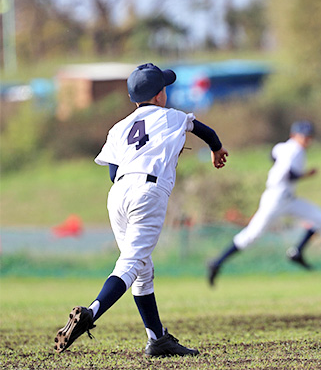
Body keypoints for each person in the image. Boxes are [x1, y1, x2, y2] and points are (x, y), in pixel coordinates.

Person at [53, 63, 229, 357]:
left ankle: (157, 339)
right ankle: (91, 313)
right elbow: (205, 131)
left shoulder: (118, 127)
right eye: (165, 88)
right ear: (160, 95)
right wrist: (217, 149)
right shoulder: (171, 116)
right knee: (131, 264)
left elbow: (112, 172)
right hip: (149, 192)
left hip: (118, 193)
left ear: (135, 99)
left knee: (142, 269)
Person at [207, 120, 321, 287]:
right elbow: (290, 175)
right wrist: (307, 174)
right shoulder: (296, 150)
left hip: (287, 197)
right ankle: (216, 262)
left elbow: (272, 155)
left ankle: (297, 252)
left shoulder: (283, 146)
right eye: (304, 136)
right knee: (252, 235)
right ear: (294, 135)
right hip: (276, 198)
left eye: (309, 137)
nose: (306, 140)